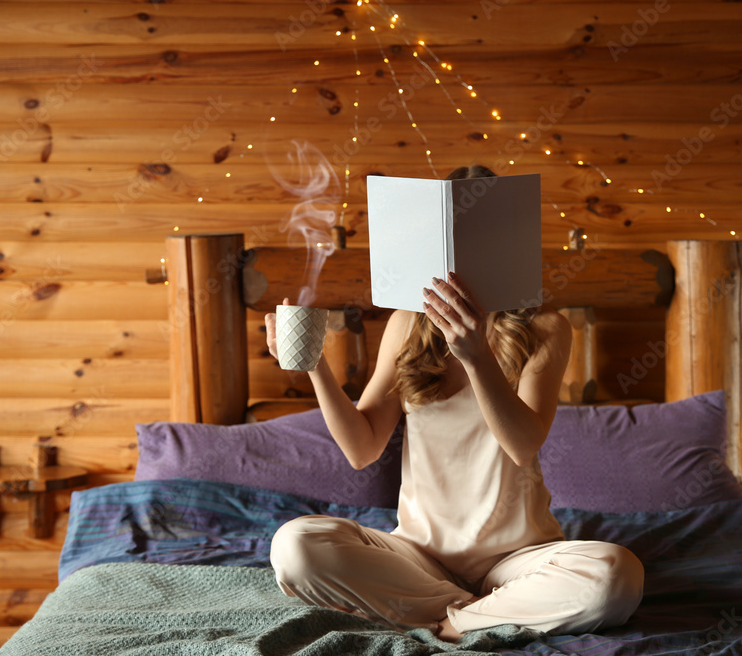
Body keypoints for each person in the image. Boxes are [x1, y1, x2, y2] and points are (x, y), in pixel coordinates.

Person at [265, 165, 644, 642]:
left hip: (517, 558)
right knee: (295, 547)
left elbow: (523, 445)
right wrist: (314, 365)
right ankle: (477, 612)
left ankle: (450, 618)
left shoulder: (547, 328)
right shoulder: (407, 322)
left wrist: (478, 356)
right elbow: (361, 449)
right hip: (417, 556)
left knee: (616, 574)